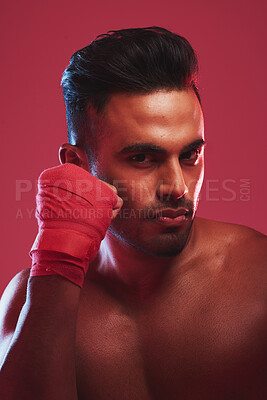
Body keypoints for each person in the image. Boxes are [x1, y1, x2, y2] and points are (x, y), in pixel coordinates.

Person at [0, 26, 266, 400]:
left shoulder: (259, 276)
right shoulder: (31, 300)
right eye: (143, 158)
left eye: (190, 155)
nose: (178, 187)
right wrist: (56, 267)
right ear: (77, 166)